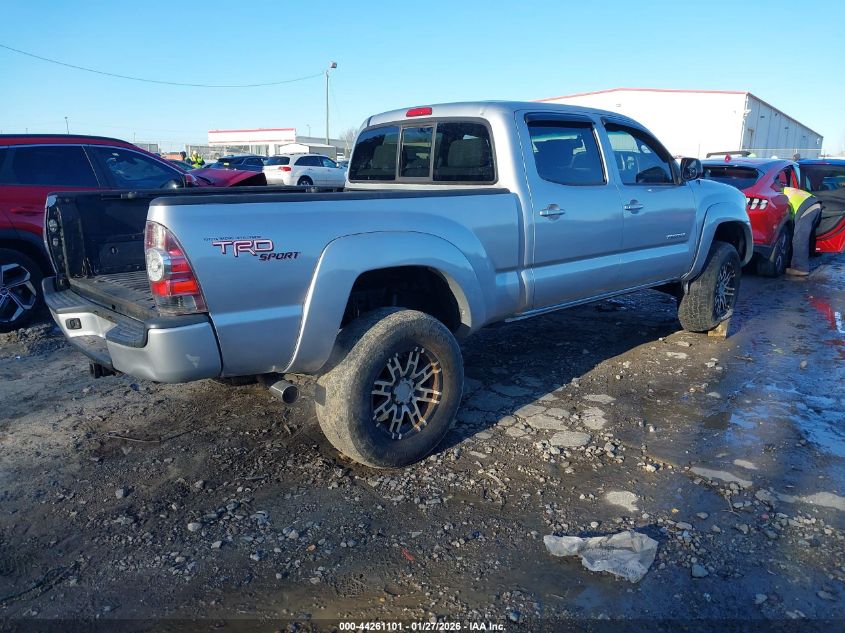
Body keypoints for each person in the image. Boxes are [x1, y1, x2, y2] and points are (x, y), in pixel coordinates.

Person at [783, 185, 822, 277]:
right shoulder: (784, 190)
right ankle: (802, 261)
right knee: (805, 236)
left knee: (799, 238)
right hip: (814, 204)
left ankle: (800, 268)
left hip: (805, 207)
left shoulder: (777, 194)